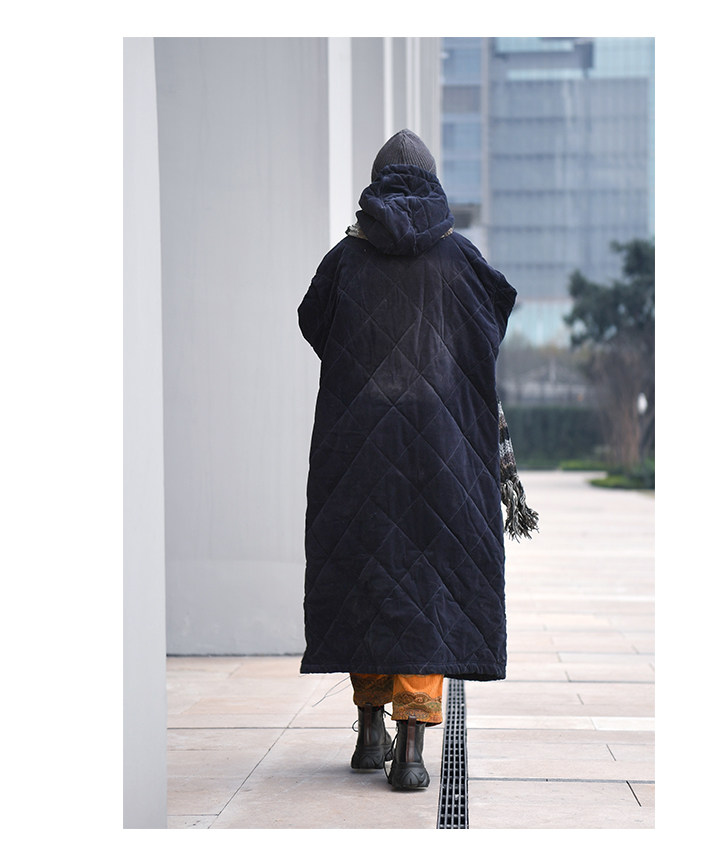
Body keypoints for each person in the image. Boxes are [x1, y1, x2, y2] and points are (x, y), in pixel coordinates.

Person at [297, 129, 517, 790]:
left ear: (376, 182)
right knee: (429, 585)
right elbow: (494, 317)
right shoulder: (461, 257)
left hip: (356, 444)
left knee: (365, 576)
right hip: (440, 447)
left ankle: (370, 732)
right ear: (433, 182)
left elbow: (313, 322)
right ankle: (412, 751)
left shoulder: (346, 257)